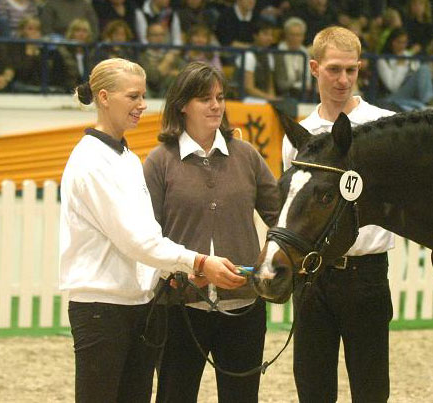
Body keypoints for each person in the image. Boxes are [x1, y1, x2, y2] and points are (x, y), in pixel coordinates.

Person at [59, 57, 243, 403]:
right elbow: (137, 241)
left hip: (140, 304)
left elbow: (147, 235)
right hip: (102, 308)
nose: (142, 105)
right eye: (132, 97)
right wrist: (199, 263)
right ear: (103, 97)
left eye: (143, 96)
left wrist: (177, 271)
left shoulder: (126, 157)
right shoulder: (91, 162)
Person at [144, 61, 279, 402]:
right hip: (179, 308)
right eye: (205, 98)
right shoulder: (160, 161)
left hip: (245, 306)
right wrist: (182, 272)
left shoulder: (246, 155)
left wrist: (270, 258)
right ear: (182, 105)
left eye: (220, 97)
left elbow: (281, 216)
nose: (216, 105)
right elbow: (146, 235)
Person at [281, 26, 396, 403]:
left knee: (371, 389)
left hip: (367, 273)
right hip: (313, 279)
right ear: (314, 68)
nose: (343, 79)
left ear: (360, 68)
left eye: (351, 69)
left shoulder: (385, 127)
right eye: (333, 69)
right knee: (312, 388)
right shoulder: (299, 135)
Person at [385, 38, 433, 110]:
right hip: (400, 101)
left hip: (416, 106)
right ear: (432, 55)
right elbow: (427, 97)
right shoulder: (422, 68)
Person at [138, 22, 185, 97]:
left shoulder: (172, 56)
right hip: (148, 95)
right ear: (147, 37)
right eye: (155, 35)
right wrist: (166, 63)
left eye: (162, 35)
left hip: (167, 95)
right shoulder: (142, 58)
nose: (159, 38)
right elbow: (153, 79)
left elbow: (185, 73)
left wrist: (173, 73)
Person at [236, 19, 278, 101]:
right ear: (255, 35)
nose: (269, 38)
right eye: (265, 34)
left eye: (271, 35)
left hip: (263, 98)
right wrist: (269, 98)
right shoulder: (249, 55)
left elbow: (270, 85)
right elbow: (249, 88)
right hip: (245, 99)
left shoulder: (269, 56)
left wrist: (273, 99)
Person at [274, 17, 311, 99]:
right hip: (286, 94)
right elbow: (280, 85)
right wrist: (297, 85)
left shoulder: (305, 53)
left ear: (303, 37)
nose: (295, 38)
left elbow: (309, 81)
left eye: (298, 35)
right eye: (292, 35)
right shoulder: (278, 53)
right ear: (286, 35)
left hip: (304, 92)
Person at [57, 18, 93, 92]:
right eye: (77, 30)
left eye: (84, 31)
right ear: (71, 33)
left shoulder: (92, 53)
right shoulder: (62, 52)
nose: (81, 34)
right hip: (64, 93)